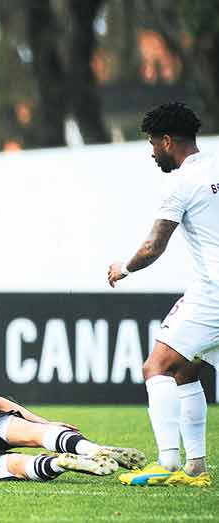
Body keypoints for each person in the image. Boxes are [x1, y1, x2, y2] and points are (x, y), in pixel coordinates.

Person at [108, 102, 216, 488]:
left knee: (156, 367)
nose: (152, 152)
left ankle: (168, 462)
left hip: (214, 292)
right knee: (186, 370)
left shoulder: (180, 182)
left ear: (167, 141)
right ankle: (196, 468)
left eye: (153, 143)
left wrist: (123, 268)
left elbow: (154, 246)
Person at [0, 391, 146, 482]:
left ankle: (57, 463)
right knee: (36, 433)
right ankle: (92, 449)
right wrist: (42, 422)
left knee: (15, 466)